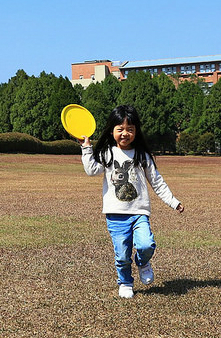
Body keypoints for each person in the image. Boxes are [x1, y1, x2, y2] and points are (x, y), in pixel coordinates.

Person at [79, 105, 184, 299]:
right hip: (115, 215)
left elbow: (157, 182)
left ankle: (143, 262)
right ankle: (125, 282)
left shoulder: (141, 156)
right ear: (112, 131)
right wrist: (86, 148)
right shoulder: (107, 153)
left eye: (130, 129)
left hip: (139, 212)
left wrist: (173, 201)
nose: (125, 133)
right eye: (120, 129)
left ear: (136, 131)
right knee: (122, 255)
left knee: (146, 245)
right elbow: (92, 170)